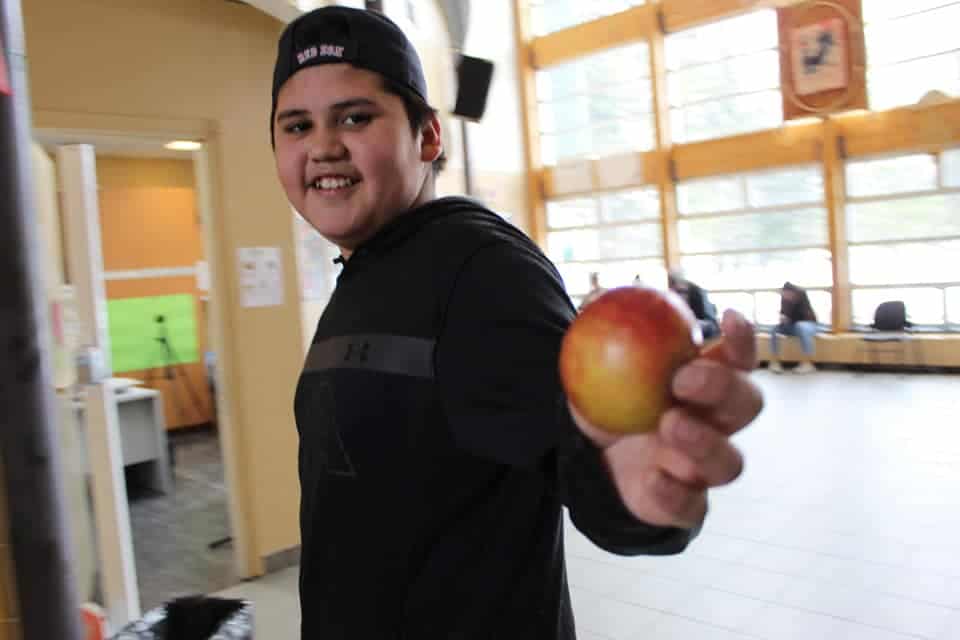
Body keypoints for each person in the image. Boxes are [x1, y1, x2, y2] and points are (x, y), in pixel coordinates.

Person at [270, 7, 764, 638]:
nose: (322, 146)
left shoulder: (478, 269)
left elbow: (571, 441)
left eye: (355, 116)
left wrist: (627, 482)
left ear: (427, 136)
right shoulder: (368, 269)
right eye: (296, 126)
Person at [769, 281, 818, 374]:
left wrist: (787, 317)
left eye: (788, 294)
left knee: (801, 326)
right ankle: (775, 362)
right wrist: (782, 318)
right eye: (784, 294)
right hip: (792, 326)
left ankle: (808, 364)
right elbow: (784, 315)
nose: (786, 296)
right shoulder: (784, 299)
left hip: (809, 325)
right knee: (774, 330)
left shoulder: (801, 295)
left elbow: (803, 317)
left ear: (793, 292)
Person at [668, 269, 720, 340]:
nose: (678, 296)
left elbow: (714, 327)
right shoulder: (664, 300)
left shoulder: (698, 294)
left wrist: (697, 324)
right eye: (673, 293)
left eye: (681, 292)